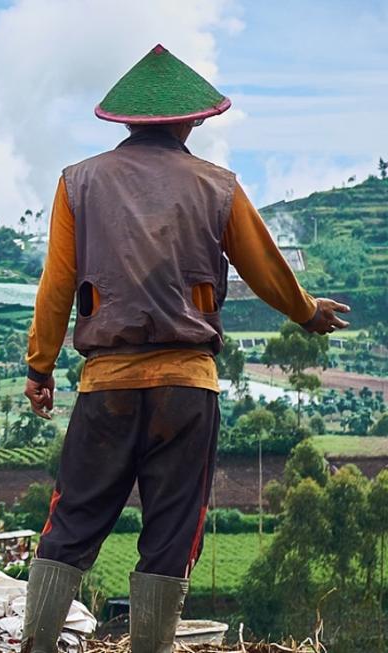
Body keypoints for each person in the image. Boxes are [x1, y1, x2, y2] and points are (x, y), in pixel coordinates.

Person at [20, 45, 350, 653]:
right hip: (187, 388)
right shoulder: (217, 187)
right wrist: (307, 312)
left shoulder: (78, 183)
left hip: (106, 387)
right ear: (189, 120)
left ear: (127, 121)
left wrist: (40, 366)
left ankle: (35, 646)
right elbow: (264, 267)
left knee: (72, 522)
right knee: (173, 530)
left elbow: (57, 285)